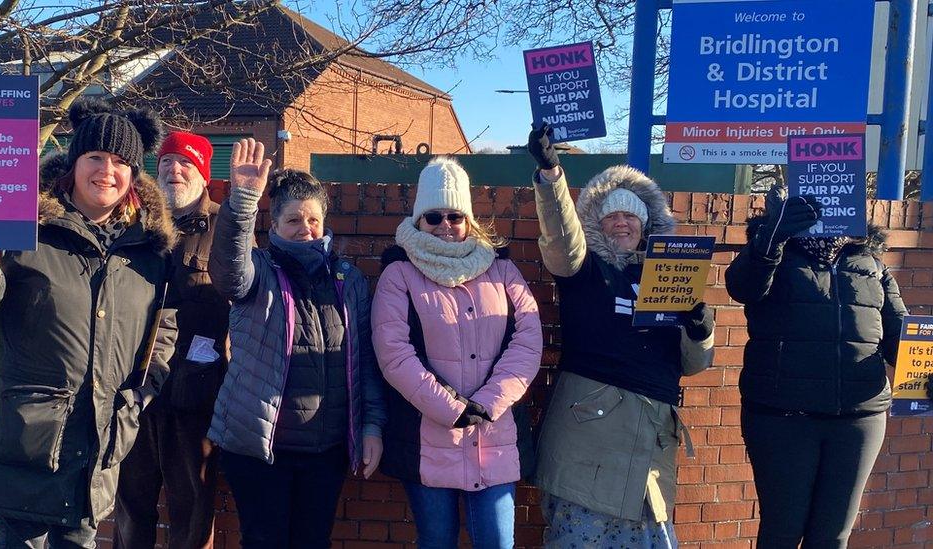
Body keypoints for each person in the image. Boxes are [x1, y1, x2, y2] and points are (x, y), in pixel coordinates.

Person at [0, 98, 176, 547]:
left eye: (120, 162)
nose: (107, 170)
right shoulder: (22, 231)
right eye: (95, 156)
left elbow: (162, 331)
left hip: (97, 447)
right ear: (73, 163)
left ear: (134, 175)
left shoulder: (150, 253)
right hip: (25, 447)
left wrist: (137, 399)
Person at [525, 124, 715, 548]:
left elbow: (693, 364)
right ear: (599, 223)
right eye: (612, 214)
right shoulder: (586, 269)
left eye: (631, 214)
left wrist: (698, 331)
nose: (622, 222)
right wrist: (552, 175)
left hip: (651, 440)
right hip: (591, 431)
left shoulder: (669, 274)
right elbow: (561, 239)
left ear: (646, 224)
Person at [205, 138, 386, 548]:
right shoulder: (260, 273)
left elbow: (367, 366)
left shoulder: (348, 281)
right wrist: (243, 201)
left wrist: (371, 427)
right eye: (293, 221)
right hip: (261, 451)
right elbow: (228, 270)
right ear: (275, 226)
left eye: (314, 221)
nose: (306, 229)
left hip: (326, 453)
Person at [372, 157, 543, 549]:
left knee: (498, 542)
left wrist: (487, 402)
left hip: (494, 436)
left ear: (469, 220)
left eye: (455, 215)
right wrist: (452, 408)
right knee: (436, 541)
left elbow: (528, 338)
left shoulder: (502, 270)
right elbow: (393, 352)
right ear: (418, 220)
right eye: (433, 217)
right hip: (428, 438)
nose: (445, 226)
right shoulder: (398, 273)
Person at [725, 185, 908, 548]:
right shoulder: (772, 250)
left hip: (860, 418)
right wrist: (773, 236)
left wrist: (924, 371)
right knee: (782, 531)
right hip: (784, 418)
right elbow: (742, 287)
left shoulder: (870, 262)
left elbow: (899, 338)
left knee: (833, 536)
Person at [115, 131, 230, 549]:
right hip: (134, 392)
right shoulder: (136, 226)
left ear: (203, 173)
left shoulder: (225, 225)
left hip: (194, 396)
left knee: (193, 511)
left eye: (185, 163)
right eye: (166, 163)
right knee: (129, 507)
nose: (174, 171)